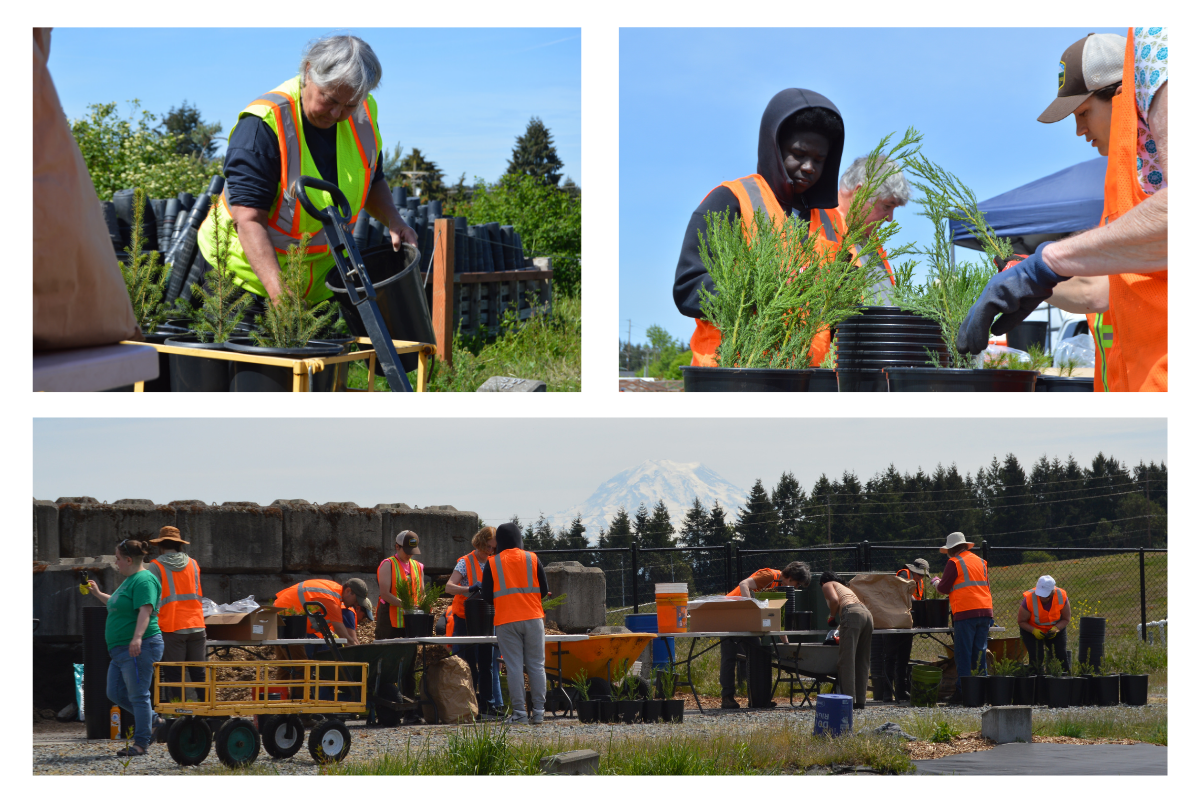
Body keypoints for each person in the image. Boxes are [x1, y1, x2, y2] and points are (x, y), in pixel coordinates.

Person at [957, 29, 1168, 392]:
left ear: (1122, 95)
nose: (1078, 130)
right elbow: (1099, 291)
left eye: (1083, 112)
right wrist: (1027, 280)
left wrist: (1046, 263)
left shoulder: (1158, 43)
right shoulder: (1127, 181)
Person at [195, 34, 417, 318]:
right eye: (330, 99)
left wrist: (394, 220)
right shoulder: (264, 124)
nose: (337, 113)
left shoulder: (363, 114)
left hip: (318, 284)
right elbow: (248, 220)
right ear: (309, 70)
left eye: (349, 105)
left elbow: (373, 179)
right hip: (244, 279)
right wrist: (282, 298)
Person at [673, 88, 847, 368]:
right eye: (799, 154)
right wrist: (761, 293)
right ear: (774, 149)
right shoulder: (731, 201)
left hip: (807, 379)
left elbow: (840, 304)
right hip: (733, 374)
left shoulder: (832, 222)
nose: (809, 167)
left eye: (819, 159)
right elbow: (688, 287)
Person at [86, 539, 164, 757]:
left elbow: (145, 611)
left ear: (129, 560)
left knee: (138, 696)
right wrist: (98, 594)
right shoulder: (130, 580)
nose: (116, 563)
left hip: (140, 647)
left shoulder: (144, 580)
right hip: (120, 650)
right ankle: (152, 719)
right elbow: (119, 604)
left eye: (118, 559)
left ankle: (141, 744)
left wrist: (137, 638)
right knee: (115, 692)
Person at [480, 522, 550, 725]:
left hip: (506, 620)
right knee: (537, 666)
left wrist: (504, 602)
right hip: (533, 617)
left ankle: (519, 713)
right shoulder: (532, 558)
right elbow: (544, 589)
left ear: (499, 541)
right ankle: (538, 712)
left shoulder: (493, 563)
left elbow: (486, 594)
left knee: (514, 667)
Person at [719, 561, 811, 709]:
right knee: (729, 657)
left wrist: (785, 645)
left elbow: (776, 620)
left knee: (757, 655)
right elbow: (744, 584)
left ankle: (758, 699)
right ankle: (727, 698)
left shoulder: (780, 588)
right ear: (790, 577)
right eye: (797, 584)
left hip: (746, 621)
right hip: (730, 613)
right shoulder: (770, 576)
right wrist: (753, 609)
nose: (796, 588)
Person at [835, 155, 912, 303]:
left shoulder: (870, 242)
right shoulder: (821, 230)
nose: (890, 218)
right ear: (860, 193)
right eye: (887, 206)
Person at [445, 526, 504, 715]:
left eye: (493, 548)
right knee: (467, 664)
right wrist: (469, 588)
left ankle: (488, 704)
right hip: (465, 619)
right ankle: (468, 706)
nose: (490, 551)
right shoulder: (465, 562)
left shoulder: (494, 562)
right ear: (480, 543)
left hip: (487, 619)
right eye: (488, 547)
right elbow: (449, 587)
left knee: (487, 664)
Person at [145, 526, 205, 702]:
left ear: (161, 546)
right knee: (199, 675)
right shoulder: (193, 564)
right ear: (179, 545)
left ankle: (178, 718)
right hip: (197, 625)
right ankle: (208, 716)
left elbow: (151, 599)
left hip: (172, 627)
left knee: (174, 677)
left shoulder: (155, 566)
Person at [930, 532, 993, 696]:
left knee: (963, 653)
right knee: (980, 652)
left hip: (966, 612)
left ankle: (963, 692)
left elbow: (943, 588)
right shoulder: (981, 561)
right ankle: (981, 691)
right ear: (965, 545)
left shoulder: (954, 562)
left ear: (951, 550)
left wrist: (936, 582)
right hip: (985, 610)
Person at [820, 571, 873, 710]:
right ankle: (860, 701)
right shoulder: (846, 589)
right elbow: (851, 613)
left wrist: (831, 617)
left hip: (852, 614)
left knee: (846, 661)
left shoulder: (827, 584)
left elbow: (834, 601)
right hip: (867, 615)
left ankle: (847, 701)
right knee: (862, 660)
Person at [273, 577, 370, 651]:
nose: (356, 604)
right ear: (348, 591)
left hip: (281, 617)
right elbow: (343, 634)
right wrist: (359, 655)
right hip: (288, 622)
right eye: (357, 600)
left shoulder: (334, 591)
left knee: (286, 667)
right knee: (299, 667)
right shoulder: (331, 599)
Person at [880, 558, 928, 702]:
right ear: (913, 569)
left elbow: (919, 601)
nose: (920, 577)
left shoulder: (920, 582)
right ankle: (887, 693)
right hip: (894, 621)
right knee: (890, 657)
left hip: (908, 624)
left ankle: (901, 691)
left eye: (922, 575)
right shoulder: (904, 575)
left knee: (903, 658)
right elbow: (899, 589)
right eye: (919, 574)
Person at [376, 530, 424, 640]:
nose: (410, 554)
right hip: (389, 620)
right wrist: (407, 606)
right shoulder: (388, 564)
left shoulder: (418, 566)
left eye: (412, 551)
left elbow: (421, 593)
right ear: (397, 547)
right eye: (407, 551)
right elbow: (384, 594)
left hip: (411, 619)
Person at [1018, 575, 1071, 672]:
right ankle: (1036, 681)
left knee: (1061, 655)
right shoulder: (1029, 599)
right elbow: (1021, 621)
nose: (1042, 598)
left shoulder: (1061, 596)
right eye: (1040, 595)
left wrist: (1056, 628)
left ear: (1052, 592)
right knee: (1037, 658)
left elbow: (1066, 619)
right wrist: (1033, 631)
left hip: (1054, 630)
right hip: (1032, 631)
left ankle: (1066, 679)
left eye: (1045, 596)